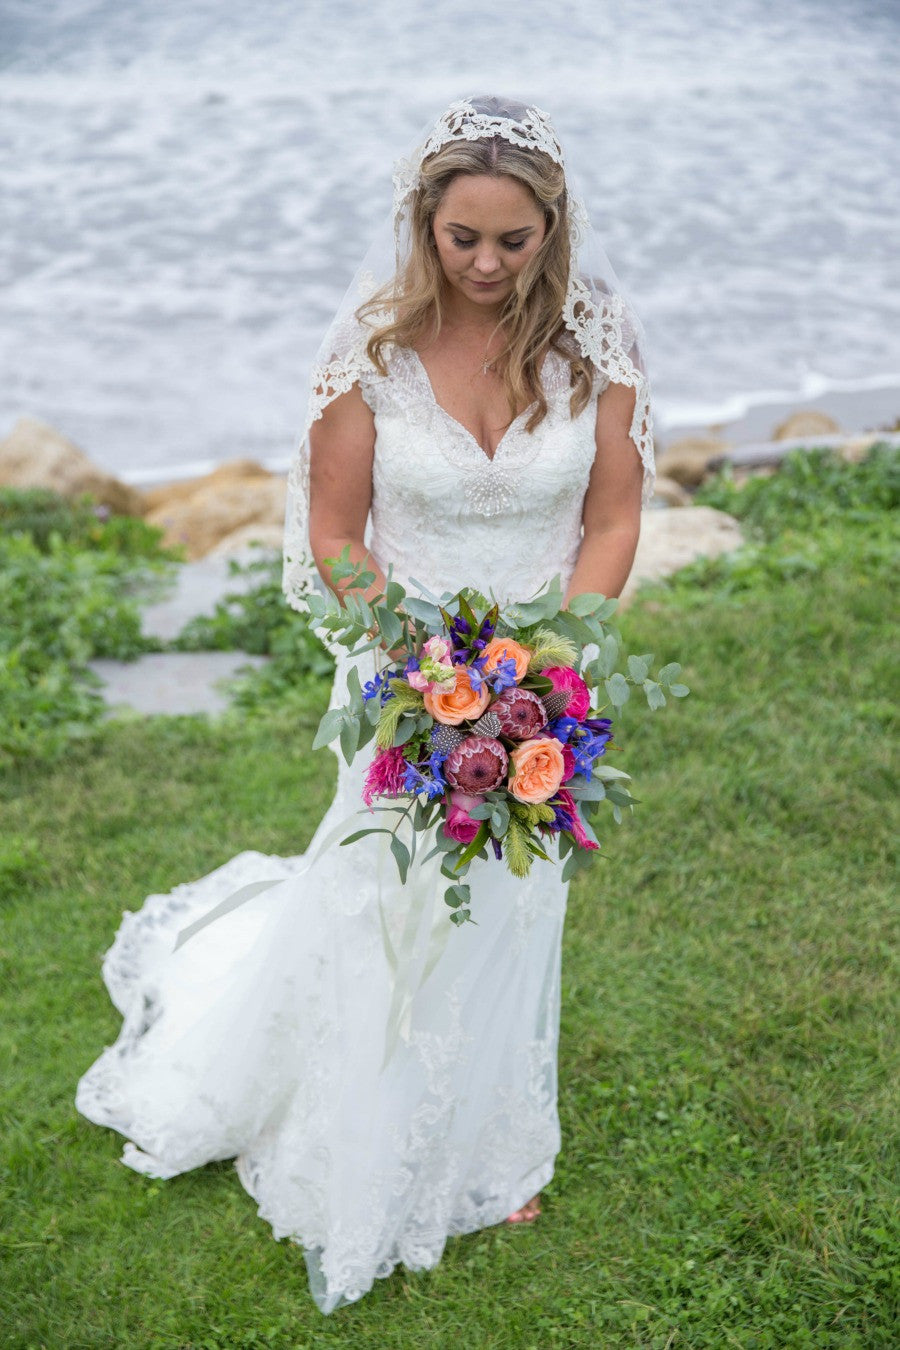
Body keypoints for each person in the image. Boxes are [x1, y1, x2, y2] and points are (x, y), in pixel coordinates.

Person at [75, 95, 655, 1315]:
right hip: (407, 678)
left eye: (515, 240)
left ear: (554, 226)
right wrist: (425, 670)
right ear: (424, 225)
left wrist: (559, 659)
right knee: (391, 903)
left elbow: (609, 518)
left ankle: (494, 1137)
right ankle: (357, 1116)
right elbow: (339, 539)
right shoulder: (371, 356)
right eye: (464, 239)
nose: (490, 265)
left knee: (514, 899)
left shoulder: (600, 344)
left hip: (545, 680)